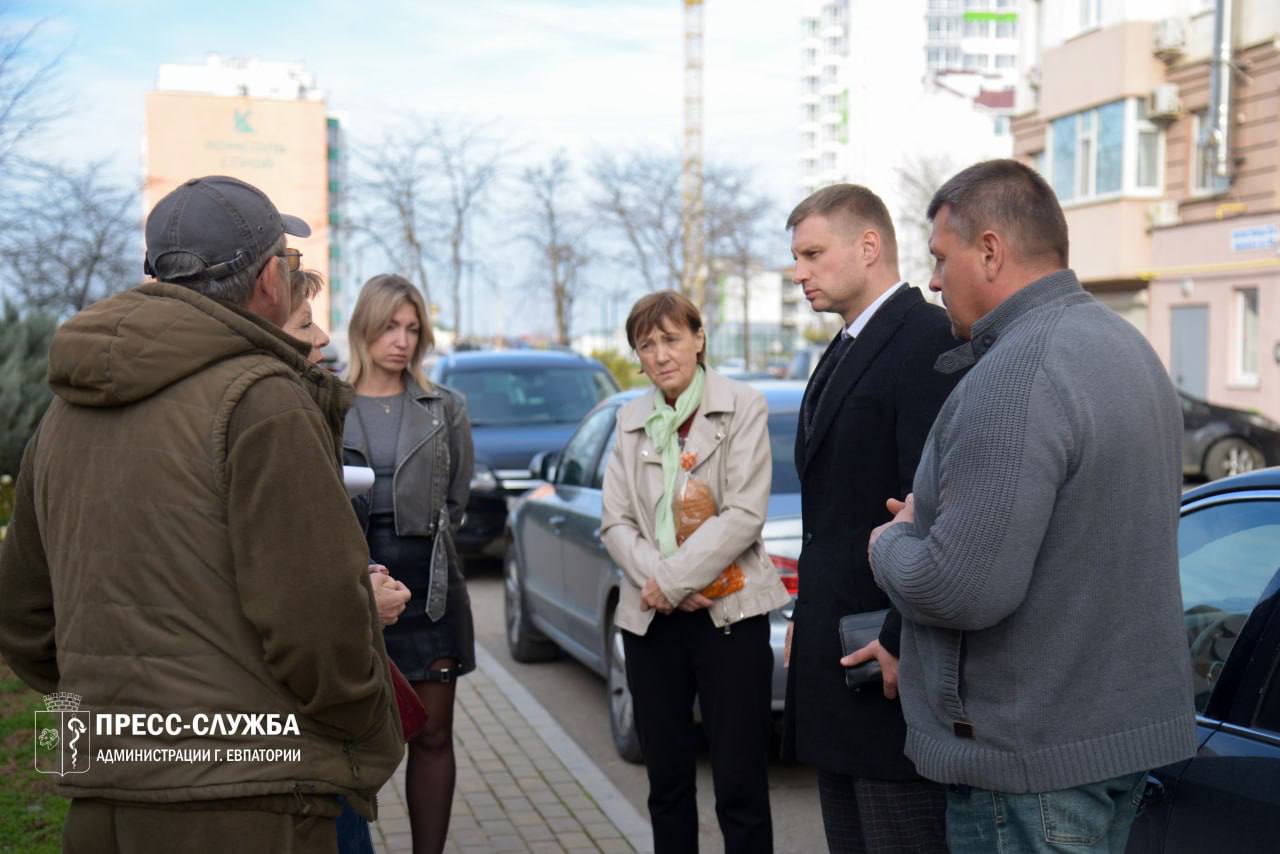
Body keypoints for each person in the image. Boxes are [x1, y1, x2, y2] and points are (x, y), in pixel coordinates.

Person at [0, 175, 404, 853]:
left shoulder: (63, 414)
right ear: (270, 282)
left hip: (104, 796)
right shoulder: (263, 399)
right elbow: (317, 627)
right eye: (289, 261)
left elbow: (21, 615)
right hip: (248, 800)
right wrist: (363, 723)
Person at [868, 159, 1197, 853]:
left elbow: (961, 589)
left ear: (989, 250)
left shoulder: (1018, 371)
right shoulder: (1126, 347)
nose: (931, 280)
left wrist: (891, 543)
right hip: (1106, 747)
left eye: (940, 257)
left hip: (1029, 765)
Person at [781, 184, 960, 853]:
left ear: (869, 245)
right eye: (796, 256)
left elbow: (937, 508)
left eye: (812, 253)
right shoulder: (847, 344)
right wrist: (807, 616)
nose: (799, 272)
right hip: (838, 657)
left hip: (888, 669)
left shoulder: (924, 339)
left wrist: (899, 633)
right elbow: (831, 515)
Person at [600, 290, 791, 854]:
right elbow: (615, 522)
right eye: (647, 344)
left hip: (729, 618)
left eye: (672, 338)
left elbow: (743, 515)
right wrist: (663, 584)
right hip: (652, 622)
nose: (660, 355)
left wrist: (672, 581)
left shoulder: (743, 406)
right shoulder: (629, 419)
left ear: (699, 339)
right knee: (667, 786)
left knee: (740, 786)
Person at [342, 274, 474, 854]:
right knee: (352, 739)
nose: (401, 340)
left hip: (430, 587)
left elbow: (457, 500)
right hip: (348, 586)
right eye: (390, 326)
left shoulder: (444, 407)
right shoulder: (324, 402)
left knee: (434, 736)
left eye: (412, 329)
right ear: (363, 326)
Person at [284, 267, 410, 854]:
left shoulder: (294, 407)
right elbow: (277, 593)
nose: (321, 339)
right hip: (294, 729)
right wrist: (361, 602)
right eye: (306, 324)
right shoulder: (272, 420)